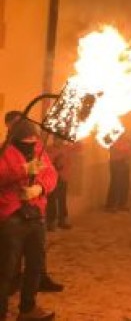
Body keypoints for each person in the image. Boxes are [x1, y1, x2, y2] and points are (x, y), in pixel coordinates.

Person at [0, 118, 57, 320]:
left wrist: (39, 188)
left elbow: (51, 174)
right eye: (26, 141)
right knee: (6, 268)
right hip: (11, 217)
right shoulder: (4, 151)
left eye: (33, 140)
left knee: (35, 265)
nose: (31, 144)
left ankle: (27, 309)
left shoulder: (39, 150)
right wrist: (23, 170)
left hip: (35, 214)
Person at [45, 137, 77, 231]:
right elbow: (48, 161)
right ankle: (51, 222)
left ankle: (63, 220)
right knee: (51, 199)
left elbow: (78, 149)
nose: (59, 141)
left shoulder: (66, 148)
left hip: (63, 177)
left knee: (62, 199)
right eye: (57, 139)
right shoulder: (50, 149)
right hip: (52, 177)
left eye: (60, 139)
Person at [105, 133, 131, 212]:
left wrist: (127, 155)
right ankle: (110, 205)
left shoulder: (125, 141)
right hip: (116, 163)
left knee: (125, 184)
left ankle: (122, 204)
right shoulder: (113, 141)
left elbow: (128, 150)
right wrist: (124, 153)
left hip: (124, 163)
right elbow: (117, 151)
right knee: (115, 184)